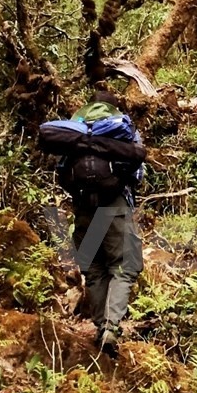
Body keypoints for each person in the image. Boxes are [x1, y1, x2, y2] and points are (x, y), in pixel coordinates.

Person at [67, 90, 145, 358]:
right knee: (125, 267)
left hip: (83, 210)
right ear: (114, 108)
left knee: (95, 269)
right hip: (114, 208)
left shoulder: (76, 129)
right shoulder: (121, 128)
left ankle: (100, 328)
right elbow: (137, 173)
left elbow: (62, 173)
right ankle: (112, 327)